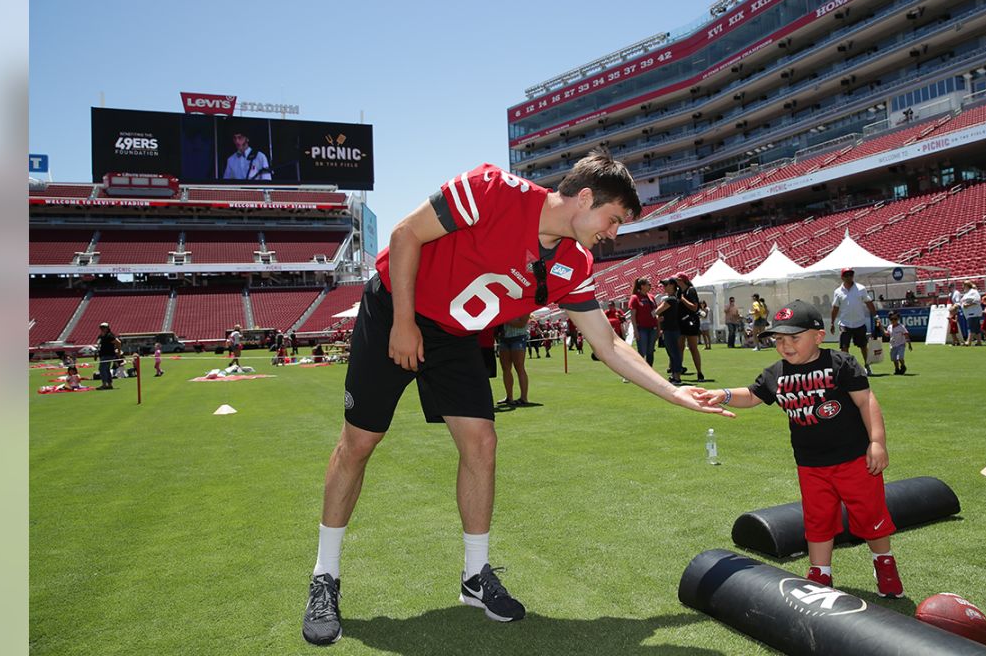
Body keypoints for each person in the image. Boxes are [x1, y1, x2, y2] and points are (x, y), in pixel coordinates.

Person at [302, 151, 733, 645]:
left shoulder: (574, 263)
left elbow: (609, 344)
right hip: (395, 308)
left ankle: (474, 575)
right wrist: (402, 323)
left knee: (482, 442)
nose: (613, 233)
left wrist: (674, 392)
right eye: (613, 219)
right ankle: (324, 576)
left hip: (457, 333)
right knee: (359, 443)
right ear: (586, 198)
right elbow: (404, 236)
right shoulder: (493, 190)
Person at [691, 301, 905, 597]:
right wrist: (724, 394)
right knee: (817, 520)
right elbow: (752, 396)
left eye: (794, 338)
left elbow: (866, 402)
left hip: (855, 460)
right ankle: (821, 573)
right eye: (779, 339)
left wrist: (877, 442)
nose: (785, 346)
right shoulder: (776, 373)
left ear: (818, 336)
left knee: (871, 515)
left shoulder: (841, 363)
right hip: (810, 465)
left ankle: (884, 562)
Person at [830, 268, 878, 375]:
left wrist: (876, 316)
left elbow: (869, 302)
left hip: (859, 323)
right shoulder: (837, 292)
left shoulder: (861, 288)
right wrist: (832, 323)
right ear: (842, 277)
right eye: (846, 275)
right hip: (845, 324)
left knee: (863, 346)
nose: (849, 277)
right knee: (844, 347)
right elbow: (835, 308)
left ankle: (867, 366)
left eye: (851, 274)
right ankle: (846, 368)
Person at [674, 273, 705, 380]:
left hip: (690, 321)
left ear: (681, 280)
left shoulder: (690, 290)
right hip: (681, 322)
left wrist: (683, 300)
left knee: (693, 348)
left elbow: (694, 307)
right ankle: (678, 370)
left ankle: (699, 372)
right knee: (680, 348)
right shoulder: (679, 292)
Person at [654, 278, 685, 385]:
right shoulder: (673, 299)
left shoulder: (670, 300)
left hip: (670, 329)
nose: (664, 287)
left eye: (666, 285)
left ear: (672, 286)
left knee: (674, 353)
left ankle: (677, 376)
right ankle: (674, 375)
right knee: (673, 353)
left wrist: (657, 314)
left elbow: (656, 311)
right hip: (672, 329)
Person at [496, 315, 531, 406]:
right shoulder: (506, 305)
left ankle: (524, 398)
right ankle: (509, 397)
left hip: (518, 337)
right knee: (505, 368)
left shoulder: (524, 306)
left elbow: (521, 324)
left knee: (519, 367)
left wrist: (504, 318)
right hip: (504, 338)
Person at [627, 278, 658, 366]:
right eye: (648, 284)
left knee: (650, 351)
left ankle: (650, 372)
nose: (650, 286)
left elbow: (655, 313)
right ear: (642, 286)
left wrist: (658, 327)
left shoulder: (651, 297)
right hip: (642, 328)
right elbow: (633, 316)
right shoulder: (635, 297)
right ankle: (641, 372)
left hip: (652, 327)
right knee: (642, 352)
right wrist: (635, 330)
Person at [95, 323, 120, 390]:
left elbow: (118, 342)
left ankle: (104, 384)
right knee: (106, 369)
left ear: (107, 328)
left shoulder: (110, 336)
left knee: (102, 369)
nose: (102, 329)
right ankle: (109, 384)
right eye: (101, 328)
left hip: (108, 355)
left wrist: (118, 352)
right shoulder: (101, 336)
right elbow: (98, 344)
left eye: (104, 327)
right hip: (103, 355)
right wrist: (96, 353)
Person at [960, 281, 983, 346]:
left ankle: (968, 341)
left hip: (973, 312)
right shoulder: (967, 293)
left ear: (966, 285)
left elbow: (977, 300)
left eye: (963, 285)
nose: (962, 286)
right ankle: (979, 341)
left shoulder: (973, 292)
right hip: (969, 313)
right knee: (976, 328)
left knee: (971, 327)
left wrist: (968, 305)